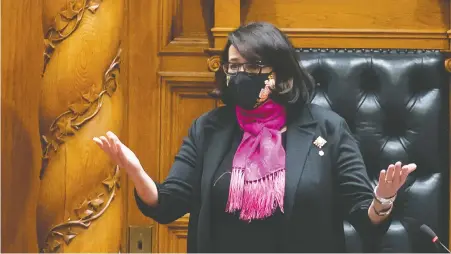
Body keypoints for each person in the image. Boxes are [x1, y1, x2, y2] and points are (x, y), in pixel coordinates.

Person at [93, 22, 416, 252]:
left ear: (282, 73)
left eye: (253, 66)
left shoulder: (326, 128)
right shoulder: (209, 128)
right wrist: (135, 172)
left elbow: (365, 218)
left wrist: (383, 199)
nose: (240, 75)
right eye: (233, 66)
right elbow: (167, 205)